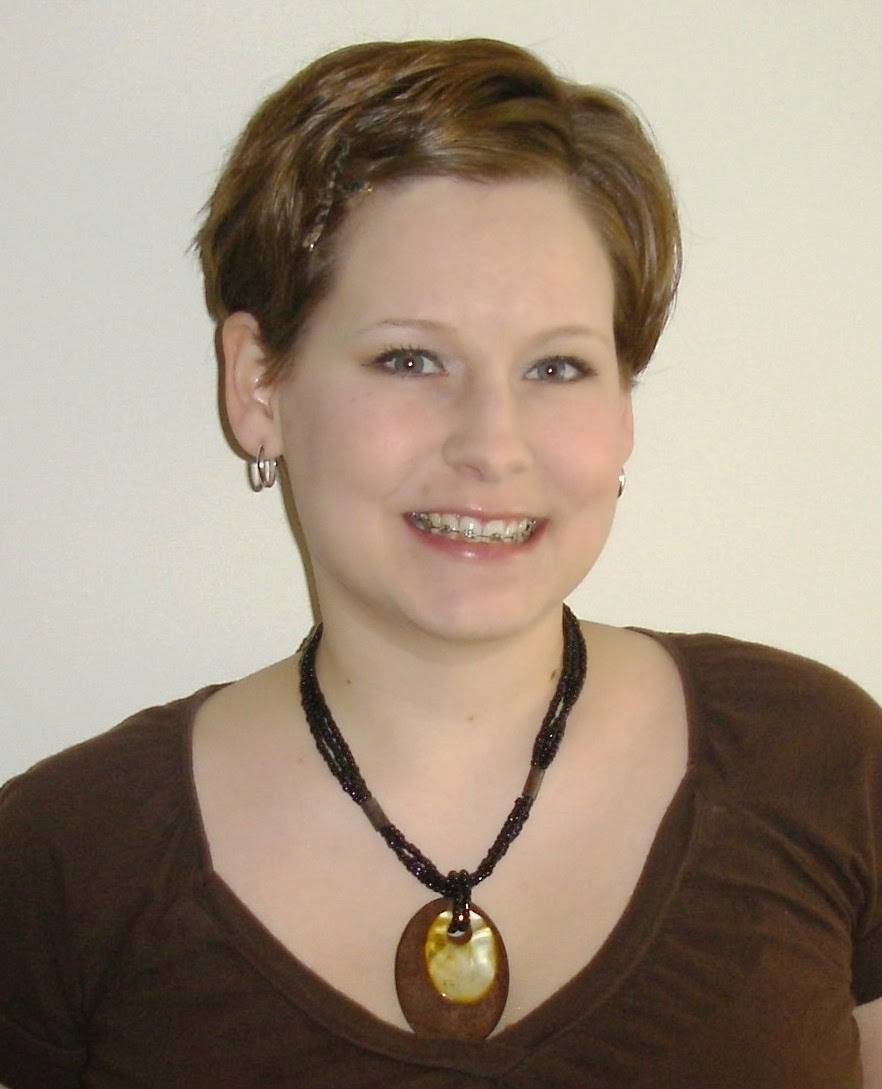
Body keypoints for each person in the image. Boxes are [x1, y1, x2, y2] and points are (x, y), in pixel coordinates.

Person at [0, 37, 880, 1088]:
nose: (492, 445)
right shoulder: (62, 861)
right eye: (410, 358)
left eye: (558, 366)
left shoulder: (822, 765)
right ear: (258, 384)